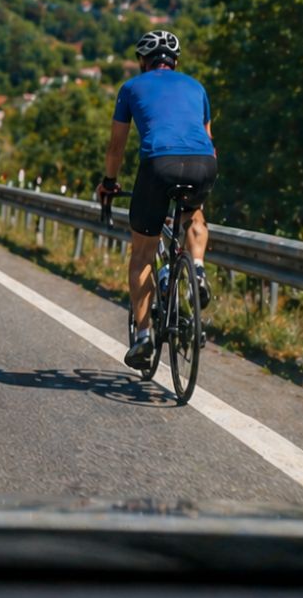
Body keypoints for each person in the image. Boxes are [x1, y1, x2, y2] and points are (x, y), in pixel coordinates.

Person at [96, 30, 217, 370]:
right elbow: (208, 139)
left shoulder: (131, 89)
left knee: (143, 254)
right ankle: (197, 268)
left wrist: (109, 183)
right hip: (204, 163)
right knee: (194, 216)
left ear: (142, 63)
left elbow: (116, 147)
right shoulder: (197, 87)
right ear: (175, 62)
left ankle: (144, 337)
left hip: (158, 163)